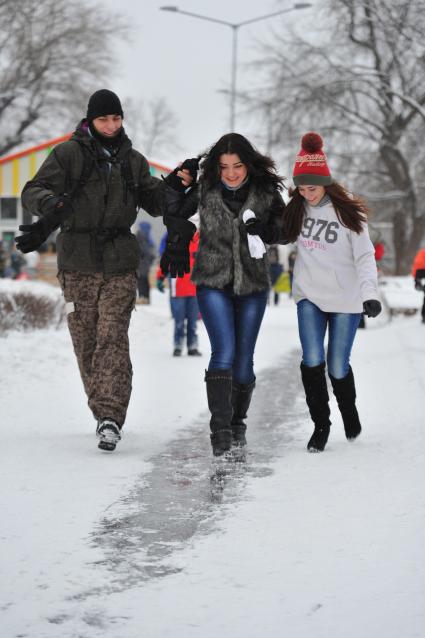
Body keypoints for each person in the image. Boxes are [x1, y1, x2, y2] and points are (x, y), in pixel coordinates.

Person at [17, 89, 195, 452]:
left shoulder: (133, 161)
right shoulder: (68, 155)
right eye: (104, 119)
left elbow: (156, 201)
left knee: (112, 335)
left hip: (119, 262)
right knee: (86, 341)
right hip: (77, 262)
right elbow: (32, 190)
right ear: (90, 120)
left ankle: (111, 416)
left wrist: (176, 183)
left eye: (116, 118)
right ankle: (100, 410)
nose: (111, 125)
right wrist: (51, 203)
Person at [160, 133, 286, 456]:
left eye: (238, 166)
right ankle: (220, 431)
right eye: (225, 166)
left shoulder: (266, 191)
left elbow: (286, 229)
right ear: (216, 167)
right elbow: (173, 211)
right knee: (224, 352)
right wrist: (176, 185)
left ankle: (237, 421)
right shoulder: (205, 189)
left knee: (243, 363)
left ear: (249, 165)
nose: (231, 173)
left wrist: (267, 231)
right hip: (212, 280)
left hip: (253, 285)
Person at [283, 132, 381, 452]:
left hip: (346, 299)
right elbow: (280, 236)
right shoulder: (297, 207)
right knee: (312, 360)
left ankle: (348, 410)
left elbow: (364, 256)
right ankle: (320, 425)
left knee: (337, 365)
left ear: (326, 182)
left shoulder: (349, 212)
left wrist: (371, 294)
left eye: (312, 187)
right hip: (309, 295)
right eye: (301, 187)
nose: (306, 193)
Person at [157, 231, 202, 356]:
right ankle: (178, 345)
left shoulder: (200, 242)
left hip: (194, 289)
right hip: (178, 290)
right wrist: (160, 277)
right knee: (179, 321)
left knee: (193, 322)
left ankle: (192, 346)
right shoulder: (175, 241)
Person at [136, 221, 156, 304]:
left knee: (141, 281)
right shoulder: (148, 237)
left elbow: (140, 251)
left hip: (141, 263)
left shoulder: (140, 236)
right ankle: (146, 298)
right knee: (144, 281)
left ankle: (142, 297)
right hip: (146, 263)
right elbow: (151, 253)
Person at [411, 247, 425, 323]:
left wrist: (417, 280)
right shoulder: (422, 253)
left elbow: (416, 268)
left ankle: (424, 317)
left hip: (418, 276)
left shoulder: (421, 252)